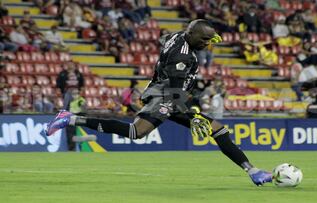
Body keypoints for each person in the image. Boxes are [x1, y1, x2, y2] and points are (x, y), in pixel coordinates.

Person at [44, 19, 272, 186]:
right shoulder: (181, 57)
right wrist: (192, 115)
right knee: (211, 129)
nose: (206, 44)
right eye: (203, 39)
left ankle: (70, 118)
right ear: (191, 34)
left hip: (168, 91)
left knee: (140, 132)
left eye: (208, 40)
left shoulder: (180, 36)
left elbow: (164, 40)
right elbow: (174, 92)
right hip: (164, 95)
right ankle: (252, 171)